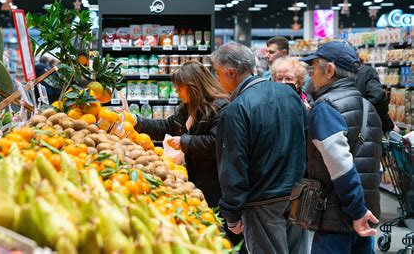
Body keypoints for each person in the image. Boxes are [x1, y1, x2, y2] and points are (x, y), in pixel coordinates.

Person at [132, 61, 244, 248]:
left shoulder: (221, 108)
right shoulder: (189, 107)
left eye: (179, 87)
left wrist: (185, 142)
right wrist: (137, 121)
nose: (176, 91)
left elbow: (216, 142)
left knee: (218, 234)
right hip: (194, 181)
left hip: (214, 184)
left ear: (193, 87)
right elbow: (167, 126)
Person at [211, 42, 307, 254]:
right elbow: (306, 140)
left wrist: (232, 213)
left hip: (263, 201)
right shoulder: (289, 95)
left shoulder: (236, 109)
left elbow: (233, 165)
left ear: (231, 72)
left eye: (218, 74)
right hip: (297, 195)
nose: (217, 80)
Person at [300, 40, 382, 253]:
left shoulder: (326, 107)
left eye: (314, 68)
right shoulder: (368, 106)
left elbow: (341, 165)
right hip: (363, 215)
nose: (311, 76)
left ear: (329, 70)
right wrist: (361, 211)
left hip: (339, 217)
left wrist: (356, 211)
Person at [356, 62, 397, 133]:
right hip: (365, 130)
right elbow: (377, 98)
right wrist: (388, 125)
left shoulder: (333, 74)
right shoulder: (366, 71)